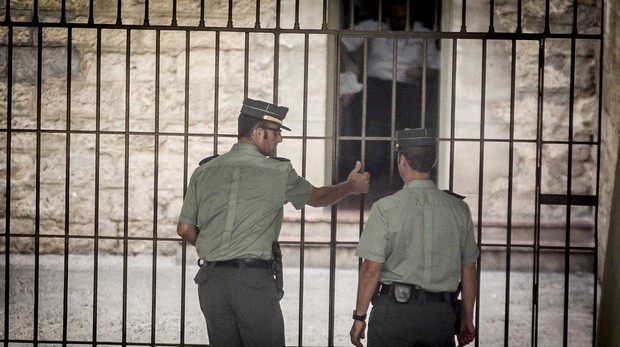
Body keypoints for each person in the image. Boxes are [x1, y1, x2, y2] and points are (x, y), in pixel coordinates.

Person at [177, 97, 370, 347]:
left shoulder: (204, 171)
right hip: (252, 283)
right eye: (276, 132)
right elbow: (318, 197)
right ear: (259, 133)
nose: (280, 138)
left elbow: (184, 229)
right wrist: (350, 187)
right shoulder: (277, 172)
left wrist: (216, 246)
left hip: (210, 283)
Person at [349, 128, 479, 347]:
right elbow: (468, 268)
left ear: (402, 160)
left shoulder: (385, 208)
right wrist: (467, 318)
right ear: (434, 160)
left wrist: (359, 317)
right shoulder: (459, 209)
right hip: (440, 316)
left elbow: (371, 268)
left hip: (394, 314)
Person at [339, 0, 440, 198]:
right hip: (376, 85)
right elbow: (340, 40)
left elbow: (438, 66)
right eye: (395, 18)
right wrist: (349, 64)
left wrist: (421, 71)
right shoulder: (373, 26)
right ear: (387, 16)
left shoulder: (423, 33)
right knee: (361, 121)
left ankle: (405, 171)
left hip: (407, 87)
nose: (399, 21)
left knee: (409, 128)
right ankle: (363, 167)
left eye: (403, 18)